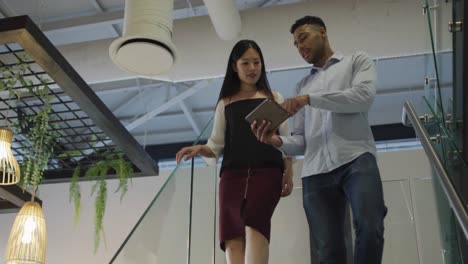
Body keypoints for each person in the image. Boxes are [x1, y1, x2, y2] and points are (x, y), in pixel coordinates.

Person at [251, 16, 387, 263]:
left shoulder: (356, 61)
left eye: (303, 38)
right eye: (295, 44)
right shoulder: (301, 85)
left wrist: (309, 99)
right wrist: (276, 141)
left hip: (356, 158)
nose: (300, 47)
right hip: (315, 173)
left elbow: (362, 97)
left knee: (370, 228)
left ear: (323, 32)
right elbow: (302, 140)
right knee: (327, 253)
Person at [176, 39, 293, 264]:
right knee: (232, 238)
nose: (252, 68)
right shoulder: (225, 103)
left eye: (257, 62)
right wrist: (200, 148)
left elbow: (286, 141)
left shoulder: (274, 98)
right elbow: (216, 145)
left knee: (255, 226)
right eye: (246, 63)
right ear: (234, 66)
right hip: (231, 178)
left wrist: (288, 171)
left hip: (267, 174)